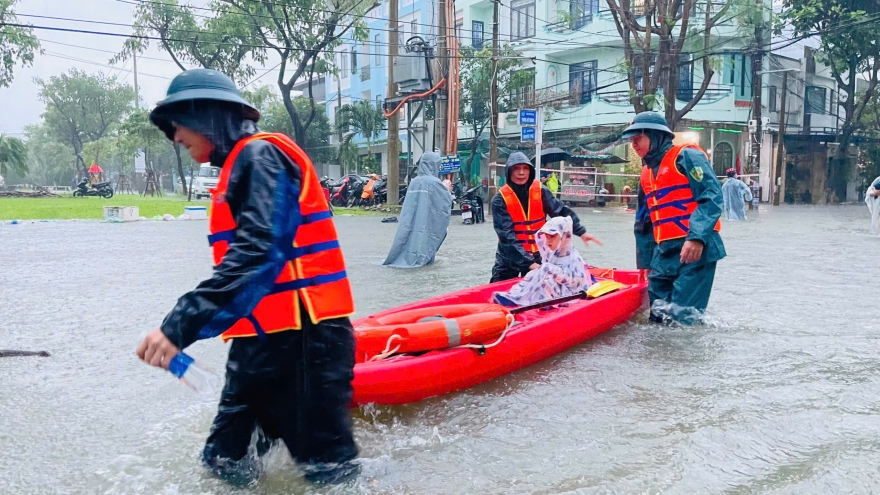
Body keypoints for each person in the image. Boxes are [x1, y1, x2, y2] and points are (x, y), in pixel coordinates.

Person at [135, 69, 359, 486]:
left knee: (329, 471)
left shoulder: (261, 157)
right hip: (261, 343)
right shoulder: (240, 167)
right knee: (225, 462)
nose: (175, 138)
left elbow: (259, 252)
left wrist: (179, 325)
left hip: (306, 341)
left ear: (204, 117)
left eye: (177, 126)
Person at [624, 111, 726, 324]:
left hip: (696, 248)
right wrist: (645, 262)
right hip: (663, 255)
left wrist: (697, 237)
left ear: (655, 135)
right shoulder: (645, 174)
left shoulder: (687, 156)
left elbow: (712, 196)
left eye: (638, 138)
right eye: (631, 140)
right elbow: (644, 221)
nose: (634, 145)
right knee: (657, 319)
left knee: (681, 320)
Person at [490, 151, 600, 283]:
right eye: (516, 168)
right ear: (509, 172)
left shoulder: (541, 191)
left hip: (538, 253)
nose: (521, 173)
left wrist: (581, 231)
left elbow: (561, 211)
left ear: (530, 171)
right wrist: (528, 262)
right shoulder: (499, 199)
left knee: (540, 293)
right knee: (497, 291)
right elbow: (506, 236)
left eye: (525, 168)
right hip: (509, 256)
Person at [492, 216, 595, 307]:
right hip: (557, 284)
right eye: (546, 236)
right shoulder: (552, 254)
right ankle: (514, 296)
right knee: (531, 274)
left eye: (553, 236)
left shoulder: (574, 258)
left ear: (564, 236)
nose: (548, 240)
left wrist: (556, 273)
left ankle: (541, 301)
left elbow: (579, 282)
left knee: (547, 281)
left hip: (570, 291)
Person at [384, 152, 453, 267]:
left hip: (411, 219)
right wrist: (447, 190)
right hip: (427, 219)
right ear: (432, 165)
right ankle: (423, 259)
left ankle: (409, 257)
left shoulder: (415, 181)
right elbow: (442, 203)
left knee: (411, 237)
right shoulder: (434, 182)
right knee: (427, 238)